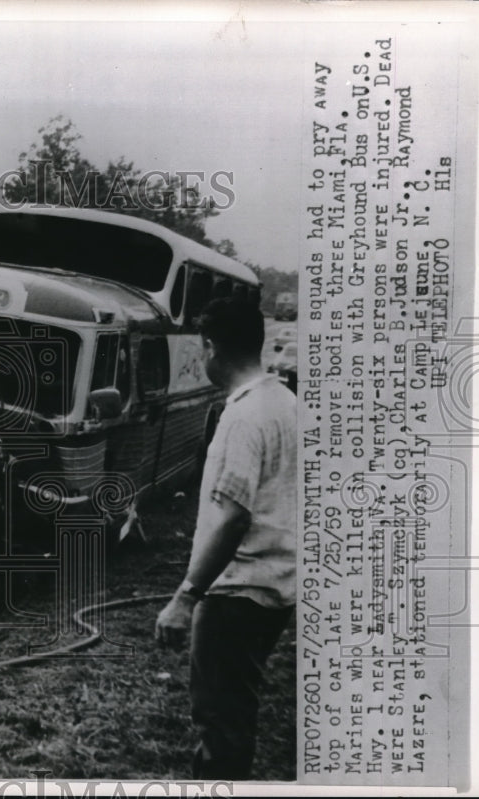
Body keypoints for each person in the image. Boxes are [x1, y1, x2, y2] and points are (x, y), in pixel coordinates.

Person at [155, 297, 296, 780]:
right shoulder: (286, 403)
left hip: (237, 593)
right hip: (275, 589)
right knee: (237, 713)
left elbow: (233, 518)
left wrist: (185, 596)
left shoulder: (242, 417)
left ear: (211, 348)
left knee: (221, 722)